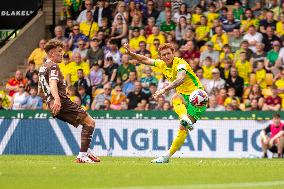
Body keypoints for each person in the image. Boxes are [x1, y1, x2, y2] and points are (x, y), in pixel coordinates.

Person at [124, 42, 208, 163]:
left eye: (169, 53)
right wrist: (130, 53)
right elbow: (144, 59)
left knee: (182, 128)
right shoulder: (162, 64)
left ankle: (167, 155)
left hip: (198, 97)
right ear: (161, 57)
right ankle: (184, 119)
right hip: (183, 95)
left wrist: (164, 89)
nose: (167, 56)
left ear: (173, 53)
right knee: (175, 98)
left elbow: (180, 79)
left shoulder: (180, 64)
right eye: (164, 54)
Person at [38, 39, 99, 163]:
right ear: (51, 53)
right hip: (62, 102)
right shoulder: (53, 66)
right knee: (90, 123)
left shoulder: (42, 68)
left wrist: (50, 101)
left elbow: (40, 91)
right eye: (59, 51)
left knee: (85, 123)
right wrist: (57, 100)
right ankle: (82, 155)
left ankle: (86, 151)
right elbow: (53, 83)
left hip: (53, 105)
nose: (62, 54)